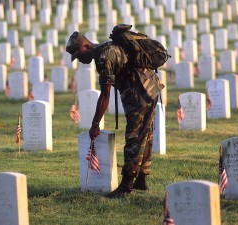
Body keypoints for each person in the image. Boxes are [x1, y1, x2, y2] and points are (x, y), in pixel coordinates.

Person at [66, 28, 164, 198]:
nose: (79, 60)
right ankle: (141, 180)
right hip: (149, 88)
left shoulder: (104, 57)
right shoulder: (106, 48)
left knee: (134, 138)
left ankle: (126, 185)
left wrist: (95, 124)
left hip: (139, 93)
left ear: (86, 46)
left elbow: (105, 95)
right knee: (145, 134)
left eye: (78, 54)